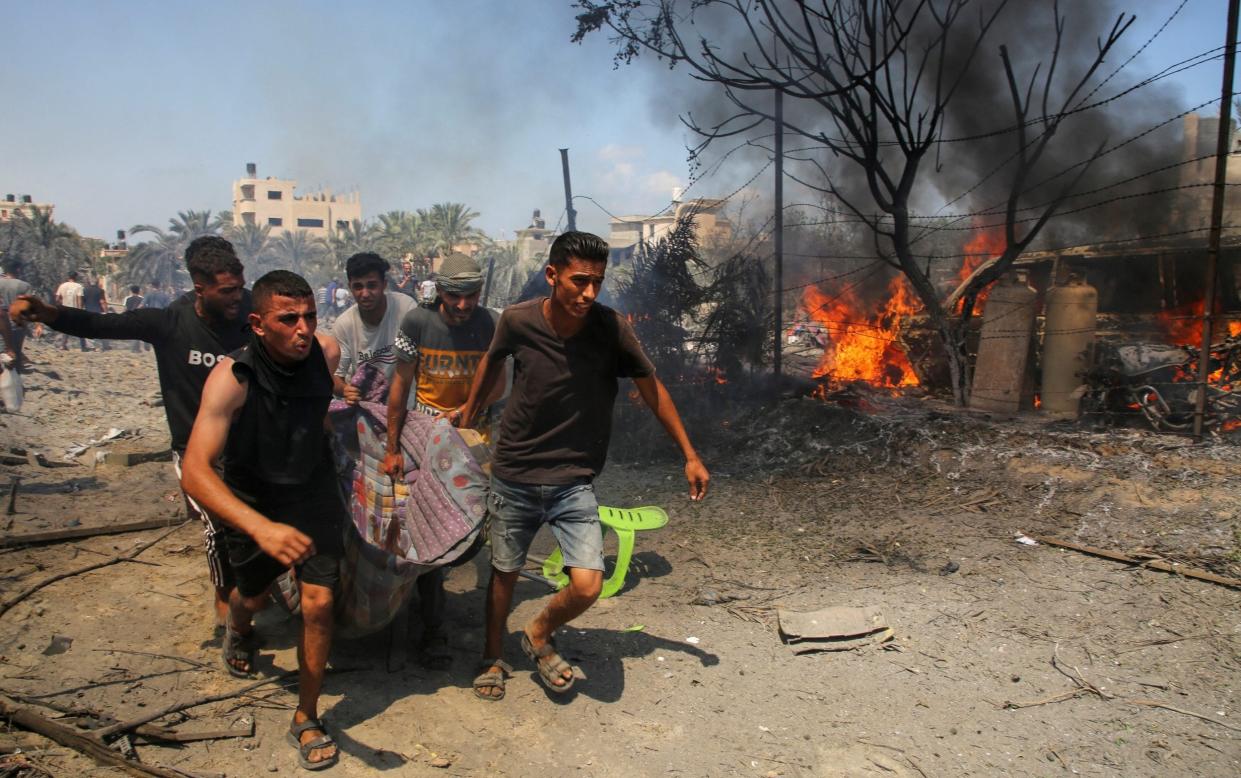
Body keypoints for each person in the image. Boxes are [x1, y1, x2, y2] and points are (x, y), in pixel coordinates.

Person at [457, 231, 709, 701]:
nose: (589, 293)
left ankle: (538, 631)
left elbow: (652, 389)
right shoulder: (517, 321)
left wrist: (689, 454)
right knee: (505, 572)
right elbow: (491, 364)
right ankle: (492, 654)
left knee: (588, 584)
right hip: (514, 471)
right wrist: (469, 415)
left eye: (596, 282)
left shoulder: (611, 329)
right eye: (578, 281)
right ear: (552, 276)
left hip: (574, 479)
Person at [10, 237, 252, 632]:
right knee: (221, 526)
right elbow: (100, 324)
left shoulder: (252, 314)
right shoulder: (169, 322)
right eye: (227, 291)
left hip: (250, 442)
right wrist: (47, 313)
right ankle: (226, 603)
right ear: (199, 287)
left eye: (240, 289)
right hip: (196, 451)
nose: (236, 299)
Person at [180, 270, 342, 770]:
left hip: (313, 492)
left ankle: (307, 716)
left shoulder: (328, 351)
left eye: (309, 316)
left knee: (319, 603)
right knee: (250, 595)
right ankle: (241, 627)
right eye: (288, 319)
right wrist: (260, 526)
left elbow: (317, 409)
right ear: (257, 323)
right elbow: (194, 471)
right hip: (253, 500)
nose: (303, 329)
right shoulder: (233, 378)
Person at [380, 252, 501, 669]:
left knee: (476, 530)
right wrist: (393, 447)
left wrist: (467, 411)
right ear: (440, 292)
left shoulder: (490, 324)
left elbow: (498, 380)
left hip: (475, 438)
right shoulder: (417, 322)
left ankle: (467, 614)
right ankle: (433, 629)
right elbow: (400, 387)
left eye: (471, 296)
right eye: (455, 297)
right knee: (430, 528)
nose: (463, 305)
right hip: (429, 437)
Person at [330, 252, 416, 402]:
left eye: (372, 285)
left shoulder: (405, 308)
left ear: (384, 284)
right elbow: (336, 376)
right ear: (350, 288)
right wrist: (345, 390)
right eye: (358, 287)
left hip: (407, 403)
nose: (365, 294)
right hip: (368, 407)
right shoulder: (344, 324)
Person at [0, 262, 34, 370]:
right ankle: (16, 376)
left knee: (3, 349)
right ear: (18, 270)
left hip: (1, 320)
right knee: (17, 351)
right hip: (17, 322)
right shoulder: (24, 285)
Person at [54, 272, 88, 351]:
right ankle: (83, 347)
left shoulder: (62, 286)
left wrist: (62, 303)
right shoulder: (79, 286)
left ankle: (63, 345)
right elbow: (79, 299)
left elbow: (57, 299)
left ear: (68, 277)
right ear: (75, 277)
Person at [82, 278, 110, 350]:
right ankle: (105, 346)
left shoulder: (84, 290)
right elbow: (102, 302)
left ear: (88, 283)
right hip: (98, 312)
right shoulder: (100, 290)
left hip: (88, 312)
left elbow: (82, 302)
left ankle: (91, 346)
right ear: (97, 283)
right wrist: (106, 311)